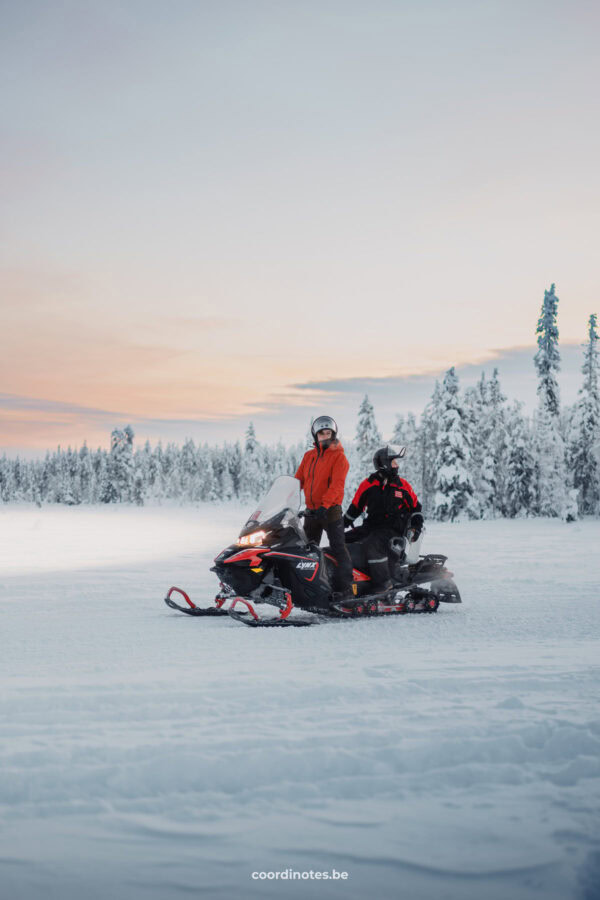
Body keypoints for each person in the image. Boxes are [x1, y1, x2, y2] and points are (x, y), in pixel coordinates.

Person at [343, 445, 424, 592]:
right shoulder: (368, 484)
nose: (397, 466)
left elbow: (416, 509)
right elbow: (355, 508)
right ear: (384, 463)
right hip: (371, 526)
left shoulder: (403, 486)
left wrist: (416, 527)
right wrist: (340, 524)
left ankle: (383, 583)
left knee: (373, 543)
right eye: (394, 462)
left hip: (393, 529)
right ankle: (356, 578)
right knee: (342, 540)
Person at [295, 416, 354, 602]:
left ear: (333, 434)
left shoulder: (339, 457)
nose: (325, 436)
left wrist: (324, 506)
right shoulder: (309, 456)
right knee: (306, 550)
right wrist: (286, 497)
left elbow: (337, 485)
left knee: (338, 548)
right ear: (316, 435)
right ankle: (308, 587)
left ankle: (347, 588)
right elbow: (298, 480)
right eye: (322, 433)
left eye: (329, 433)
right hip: (311, 511)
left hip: (331, 511)